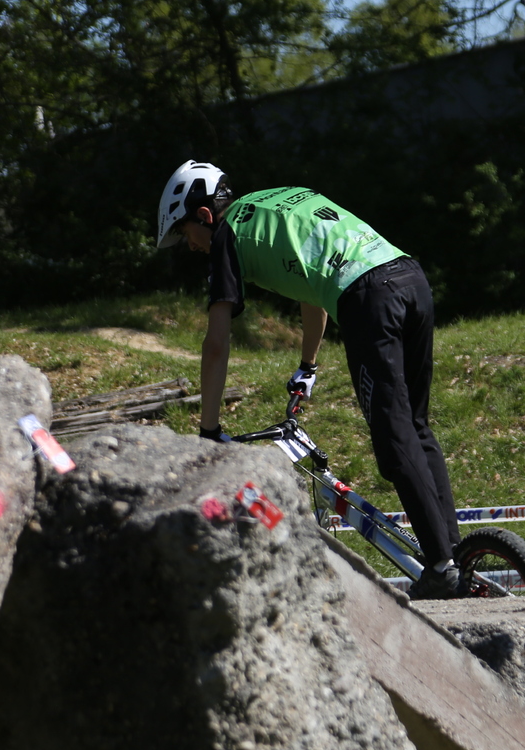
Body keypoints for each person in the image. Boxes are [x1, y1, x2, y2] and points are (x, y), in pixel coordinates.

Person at [155, 161, 465, 600]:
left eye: (186, 233)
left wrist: (208, 430)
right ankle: (458, 557)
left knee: (394, 440)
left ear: (205, 216)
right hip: (410, 277)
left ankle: (440, 568)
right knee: (416, 425)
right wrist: (308, 364)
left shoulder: (226, 236)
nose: (191, 246)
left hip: (368, 298)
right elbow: (309, 287)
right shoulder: (276, 200)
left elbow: (216, 342)